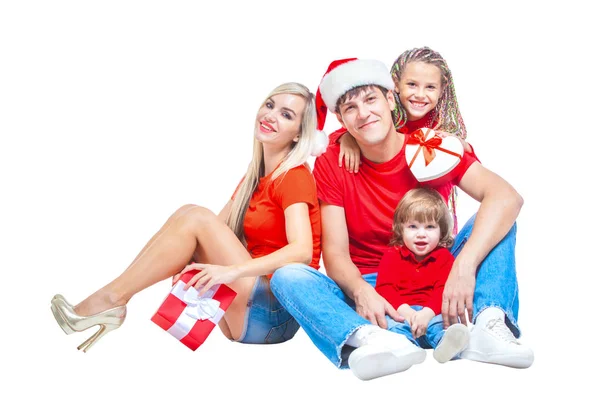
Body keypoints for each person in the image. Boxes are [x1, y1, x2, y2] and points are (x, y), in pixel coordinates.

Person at [270, 57, 533, 381]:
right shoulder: (333, 160)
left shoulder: (431, 147)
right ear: (341, 119)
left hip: (439, 272)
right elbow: (335, 254)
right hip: (372, 282)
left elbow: (507, 198)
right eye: (350, 108)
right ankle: (375, 338)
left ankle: (488, 325)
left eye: (370, 99)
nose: (364, 113)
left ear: (391, 99)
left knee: (496, 219)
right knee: (288, 276)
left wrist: (463, 267)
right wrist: (361, 293)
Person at [50, 82, 327, 352]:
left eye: (286, 114)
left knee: (196, 216)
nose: (270, 115)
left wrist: (232, 271)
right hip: (243, 310)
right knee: (188, 214)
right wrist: (187, 262)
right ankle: (112, 300)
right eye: (270, 104)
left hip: (273, 316)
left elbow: (302, 252)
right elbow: (215, 232)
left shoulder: (295, 177)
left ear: (298, 136)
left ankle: (111, 300)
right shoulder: (254, 177)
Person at [372, 187, 469, 369]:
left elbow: (443, 289)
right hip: (402, 314)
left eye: (430, 227)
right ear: (401, 228)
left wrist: (427, 313)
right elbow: (385, 289)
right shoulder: (392, 256)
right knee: (392, 328)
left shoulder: (444, 258)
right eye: (413, 226)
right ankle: (404, 348)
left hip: (431, 313)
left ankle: (446, 345)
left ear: (442, 231)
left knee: (442, 324)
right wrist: (407, 313)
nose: (421, 234)